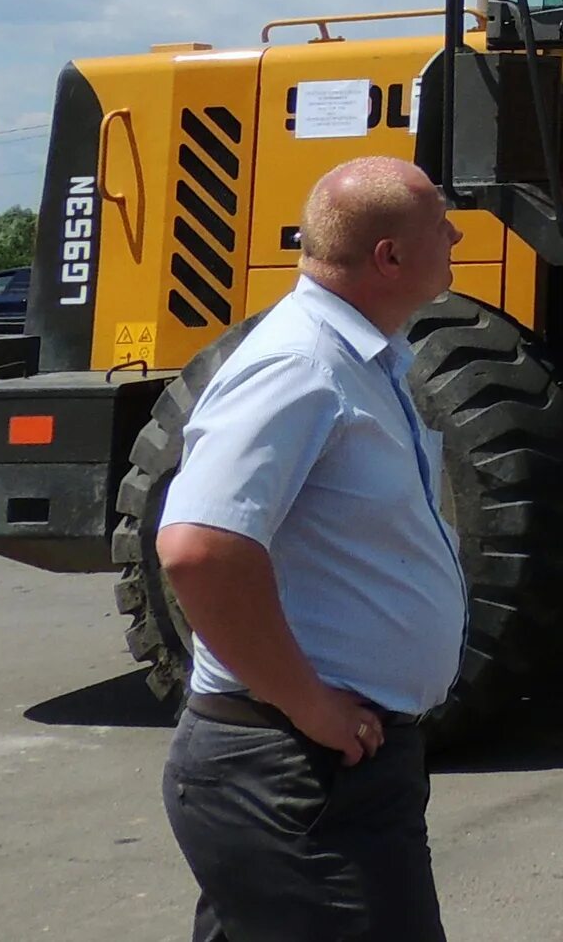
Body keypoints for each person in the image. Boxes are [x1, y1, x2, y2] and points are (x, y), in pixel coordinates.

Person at [156, 157, 466, 941]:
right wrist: (308, 703)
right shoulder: (299, 366)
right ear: (389, 257)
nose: (458, 232)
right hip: (294, 771)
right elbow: (200, 547)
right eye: (439, 223)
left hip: (328, 766)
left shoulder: (359, 360)